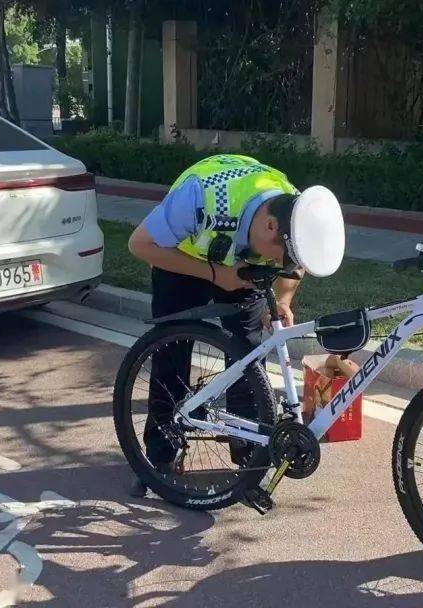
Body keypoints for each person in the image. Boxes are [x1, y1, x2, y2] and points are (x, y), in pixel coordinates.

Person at [126, 154, 343, 497]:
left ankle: (248, 455)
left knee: (248, 354)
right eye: (277, 254)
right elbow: (139, 244)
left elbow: (296, 265)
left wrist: (283, 300)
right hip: (182, 261)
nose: (277, 263)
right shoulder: (199, 195)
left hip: (238, 264)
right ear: (271, 226)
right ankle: (159, 456)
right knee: (171, 353)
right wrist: (216, 275)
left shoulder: (295, 210)